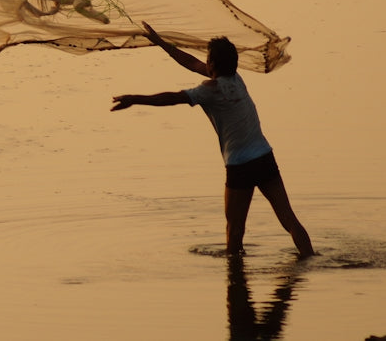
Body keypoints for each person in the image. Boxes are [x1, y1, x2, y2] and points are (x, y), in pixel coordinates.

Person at [111, 22, 315, 259]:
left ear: (213, 64)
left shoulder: (209, 90)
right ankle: (311, 259)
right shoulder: (236, 79)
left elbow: (173, 98)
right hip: (264, 156)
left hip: (240, 165)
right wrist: (161, 43)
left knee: (234, 228)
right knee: (288, 218)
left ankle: (235, 280)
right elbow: (190, 62)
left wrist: (134, 99)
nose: (204, 62)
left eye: (208, 58)